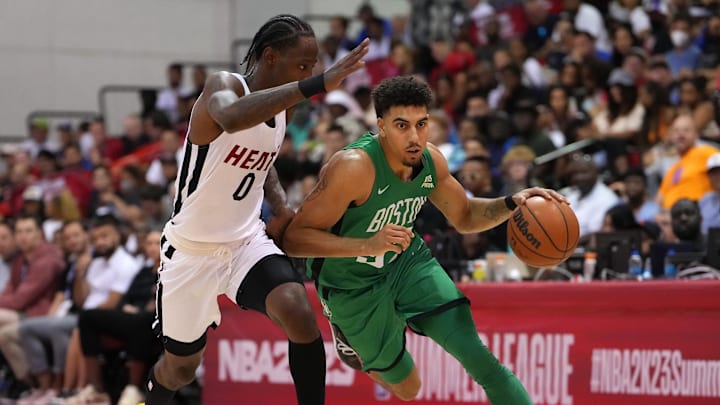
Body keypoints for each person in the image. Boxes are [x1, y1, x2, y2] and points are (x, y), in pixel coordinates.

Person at [283, 76, 564, 403]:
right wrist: (367, 244)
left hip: (406, 263)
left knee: (479, 358)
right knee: (408, 388)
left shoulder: (431, 161)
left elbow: (465, 216)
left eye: (422, 124)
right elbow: (295, 239)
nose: (414, 137)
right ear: (381, 126)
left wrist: (511, 203)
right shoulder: (353, 167)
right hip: (350, 284)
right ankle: (349, 337)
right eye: (402, 125)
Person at [144, 14, 369, 405]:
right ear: (270, 57)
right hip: (190, 250)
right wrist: (315, 85)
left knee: (299, 312)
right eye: (302, 65)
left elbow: (261, 163)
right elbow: (233, 117)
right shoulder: (225, 85)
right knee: (180, 368)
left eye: (313, 66)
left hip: (245, 243)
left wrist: (280, 206)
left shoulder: (285, 108)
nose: (310, 72)